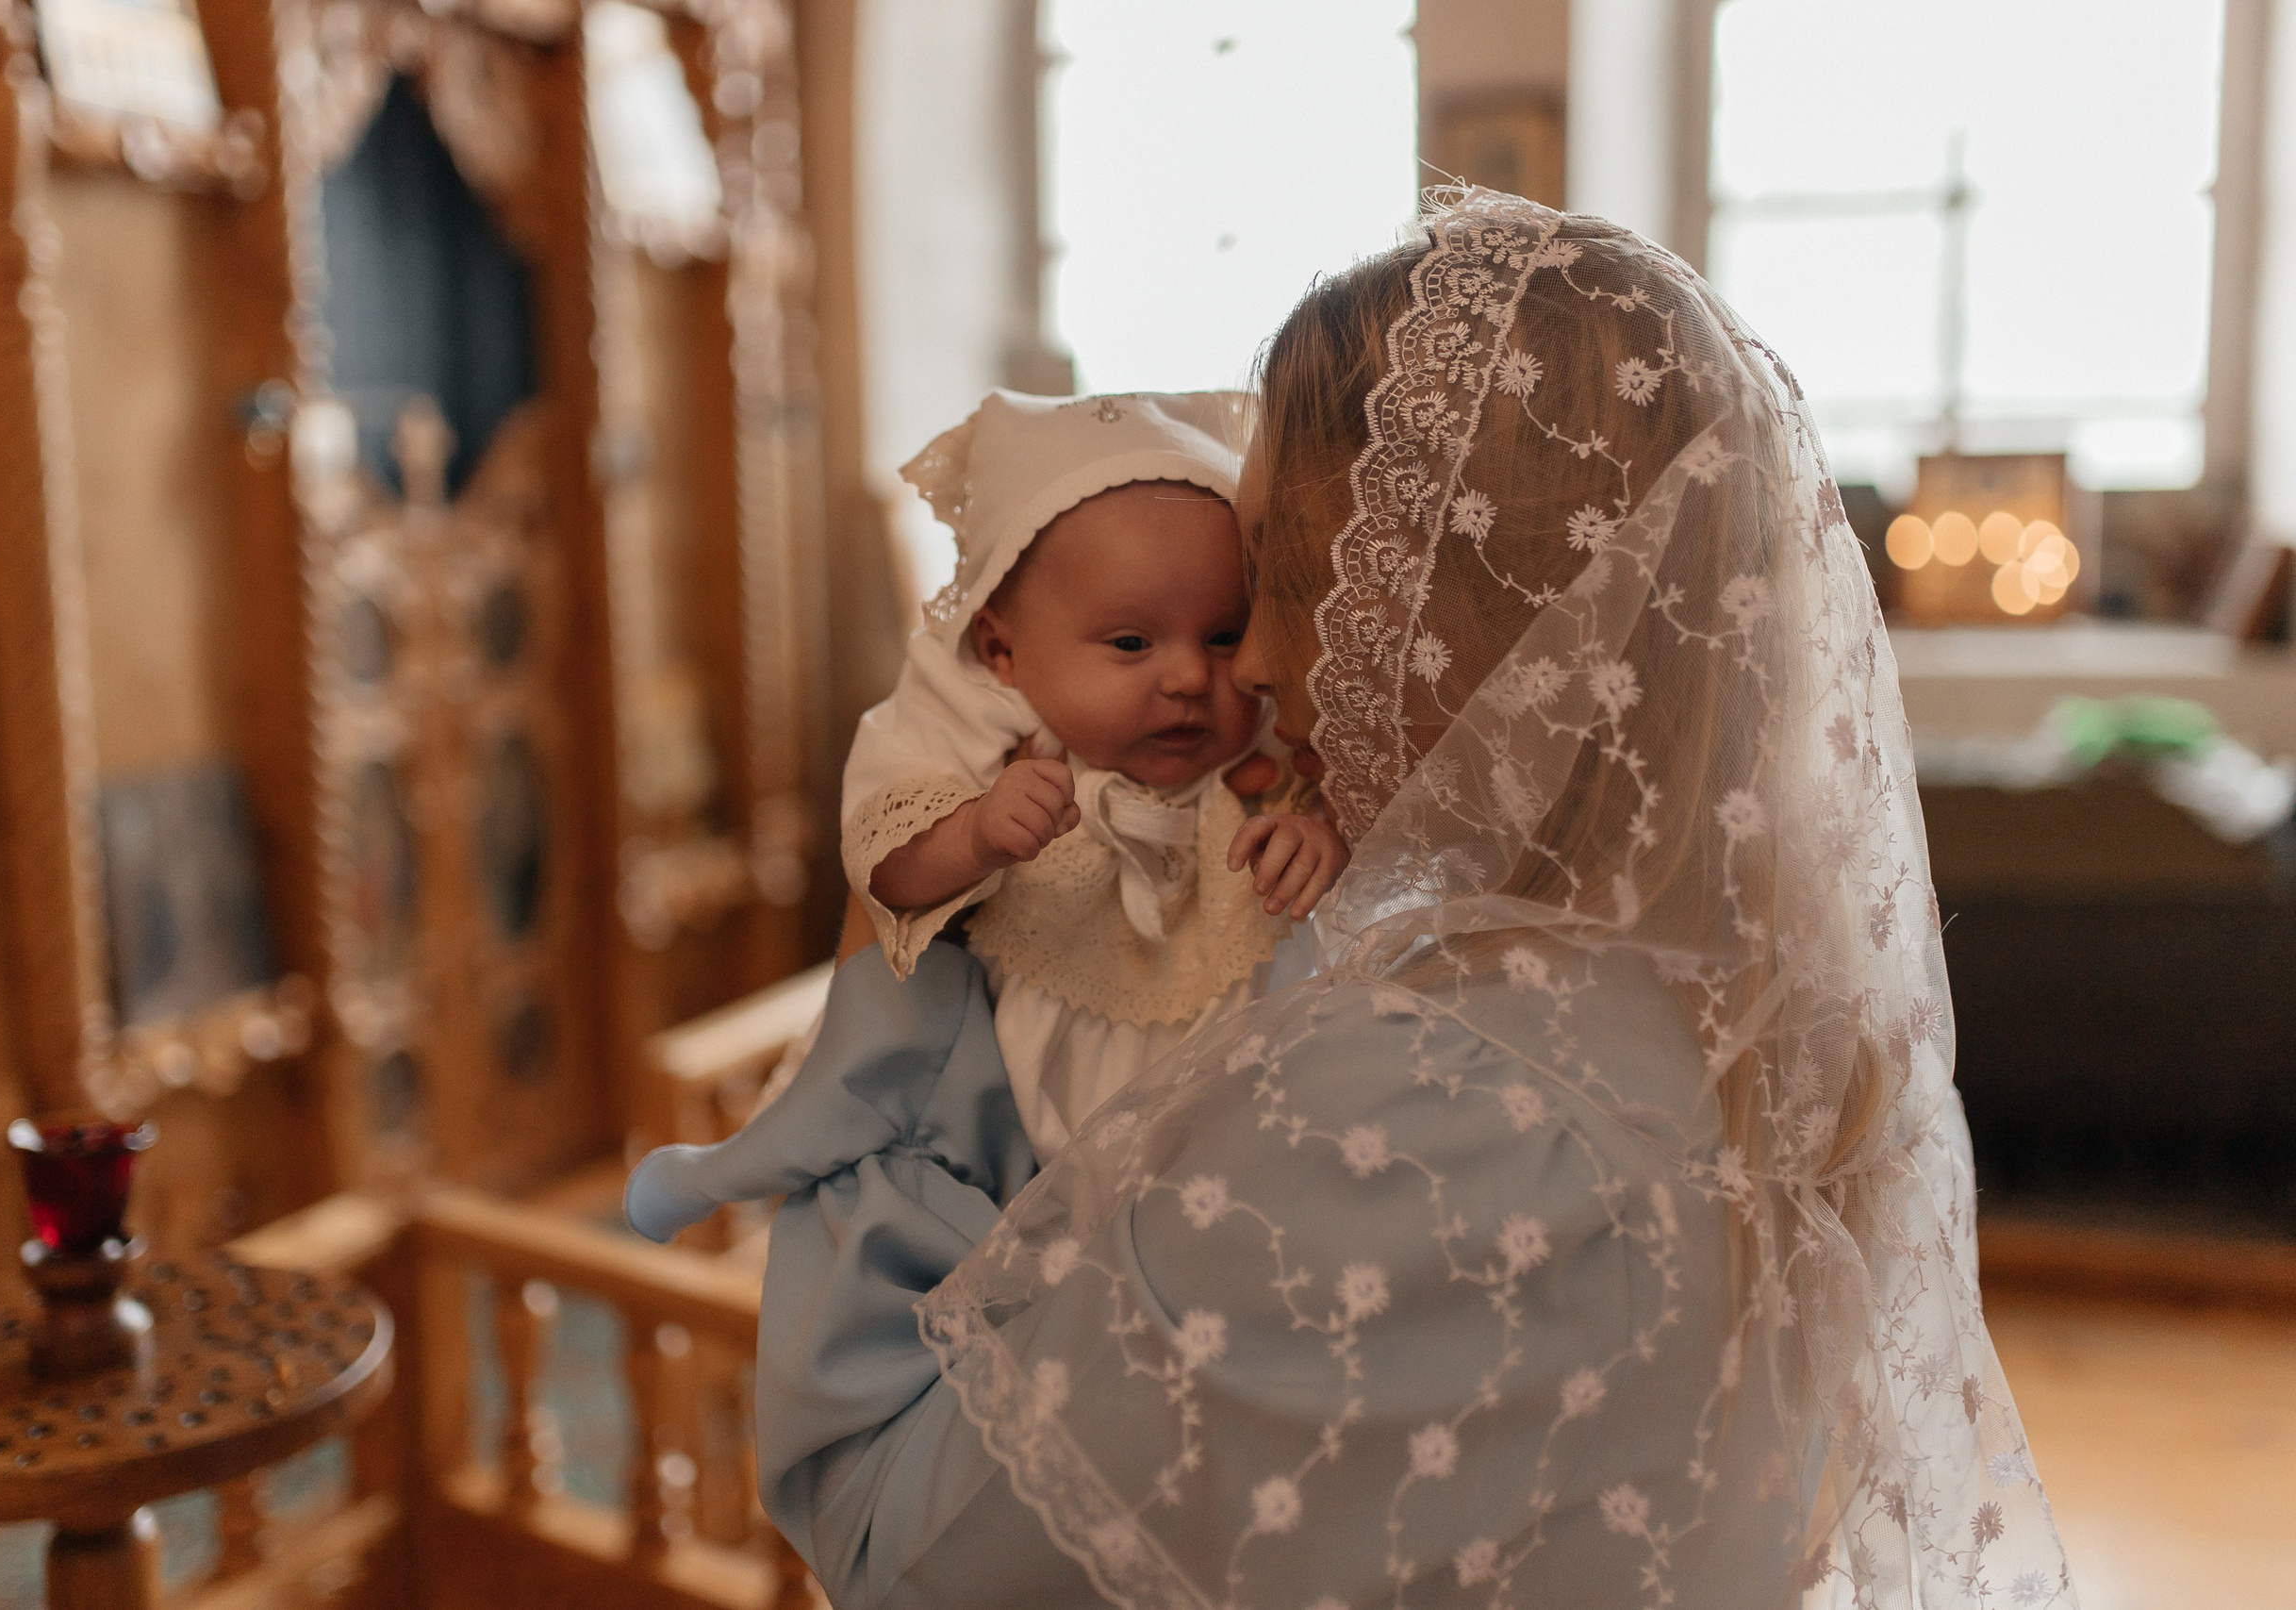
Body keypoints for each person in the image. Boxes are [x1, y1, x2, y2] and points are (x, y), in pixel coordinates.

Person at [751, 191, 2078, 1610]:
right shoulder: (1748, 1020)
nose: (1246, 661)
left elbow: (904, 1537)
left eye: (1286, 583)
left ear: (1439, 621)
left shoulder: (1394, 1107)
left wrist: (900, 970)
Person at [625, 390, 1347, 1238]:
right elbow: (881, 863)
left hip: (1223, 1096)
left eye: (1224, 636)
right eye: (1130, 644)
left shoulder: (1267, 745)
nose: (1191, 676)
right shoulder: (987, 726)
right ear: (1003, 649)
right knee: (877, 1096)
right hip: (1024, 1104)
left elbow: (1358, 845)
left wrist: (1318, 839)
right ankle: (733, 1167)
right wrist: (969, 834)